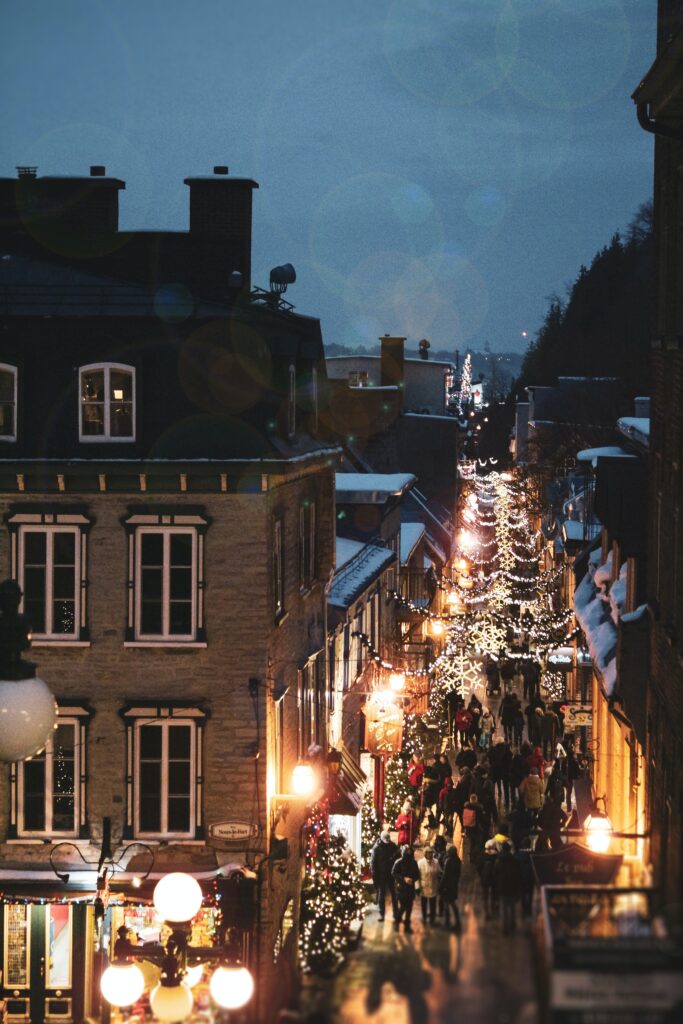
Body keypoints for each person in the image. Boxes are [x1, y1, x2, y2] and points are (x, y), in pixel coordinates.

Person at [370, 830, 399, 922]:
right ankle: (382, 914)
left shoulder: (393, 846)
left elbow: (398, 857)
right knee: (381, 896)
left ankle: (396, 914)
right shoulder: (376, 848)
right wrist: (375, 877)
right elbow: (373, 864)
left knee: (394, 895)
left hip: (391, 874)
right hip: (381, 875)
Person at [495, 841, 522, 934]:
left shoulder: (499, 860)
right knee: (512, 907)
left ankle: (505, 928)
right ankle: (512, 923)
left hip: (502, 887)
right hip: (512, 886)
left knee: (504, 908)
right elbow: (518, 875)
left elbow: (496, 873)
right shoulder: (515, 860)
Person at [392, 845, 420, 932]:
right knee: (404, 906)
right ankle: (397, 921)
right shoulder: (399, 862)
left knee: (409, 906)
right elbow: (393, 873)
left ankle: (407, 924)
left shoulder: (414, 863)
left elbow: (417, 874)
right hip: (401, 888)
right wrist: (403, 879)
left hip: (410, 888)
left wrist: (412, 879)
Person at [439, 845, 462, 931]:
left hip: (447, 886)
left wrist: (441, 886)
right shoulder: (458, 861)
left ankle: (447, 922)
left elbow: (445, 875)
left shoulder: (448, 861)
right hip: (454, 885)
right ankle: (457, 922)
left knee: (446, 904)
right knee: (452, 903)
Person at [418, 845, 442, 925]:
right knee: (424, 904)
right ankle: (424, 917)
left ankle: (432, 918)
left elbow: (439, 872)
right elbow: (417, 876)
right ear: (425, 854)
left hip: (433, 886)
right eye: (429, 853)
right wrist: (417, 887)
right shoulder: (420, 863)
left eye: (431, 853)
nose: (431, 855)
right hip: (424, 887)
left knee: (433, 904)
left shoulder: (436, 862)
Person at [479, 839, 500, 919]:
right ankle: (493, 911)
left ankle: (486, 912)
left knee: (485, 896)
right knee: (494, 895)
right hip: (494, 878)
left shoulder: (482, 855)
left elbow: (479, 867)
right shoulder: (497, 856)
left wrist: (482, 874)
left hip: (485, 878)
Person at [515, 838, 535, 919]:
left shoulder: (518, 855)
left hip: (521, 877)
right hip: (531, 877)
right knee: (530, 894)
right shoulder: (533, 854)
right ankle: (529, 909)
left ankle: (523, 910)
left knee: (523, 894)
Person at [462, 792, 486, 863]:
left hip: (468, 829)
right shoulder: (478, 808)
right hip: (476, 828)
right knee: (478, 843)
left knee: (472, 843)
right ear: (476, 800)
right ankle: (474, 855)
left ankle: (472, 858)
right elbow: (482, 819)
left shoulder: (466, 807)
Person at [489, 740, 512, 809]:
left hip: (494, 769)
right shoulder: (507, 752)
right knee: (506, 787)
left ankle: (493, 798)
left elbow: (489, 757)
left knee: (493, 783)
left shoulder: (494, 750)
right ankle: (506, 800)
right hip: (505, 772)